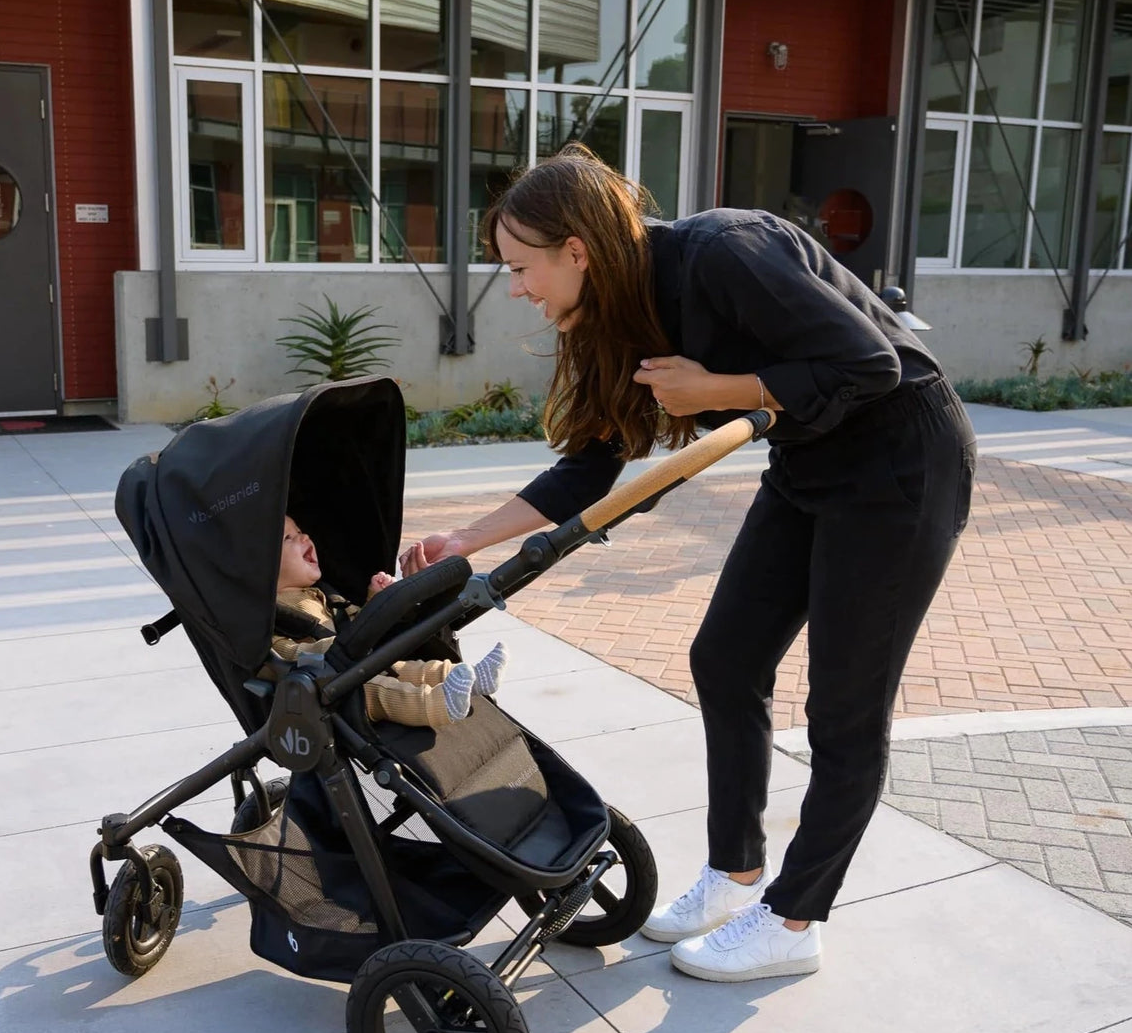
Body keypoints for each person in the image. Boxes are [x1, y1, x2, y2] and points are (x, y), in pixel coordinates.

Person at [399, 145, 976, 982]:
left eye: (521, 268)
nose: (516, 288)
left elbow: (870, 363)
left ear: (578, 250)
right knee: (726, 658)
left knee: (845, 709)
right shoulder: (615, 312)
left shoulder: (723, 252)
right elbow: (589, 463)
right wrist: (465, 543)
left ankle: (793, 919)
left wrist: (722, 390)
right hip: (809, 468)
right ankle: (735, 873)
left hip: (901, 465)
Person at [274, 516, 507, 728]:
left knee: (403, 667)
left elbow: (354, 623)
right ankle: (438, 703)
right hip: (328, 686)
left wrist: (374, 600)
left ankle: (471, 677)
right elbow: (285, 653)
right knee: (378, 690)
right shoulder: (274, 613)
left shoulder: (320, 594)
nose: (304, 536)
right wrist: (330, 649)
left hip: (353, 662)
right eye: (288, 538)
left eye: (300, 529)